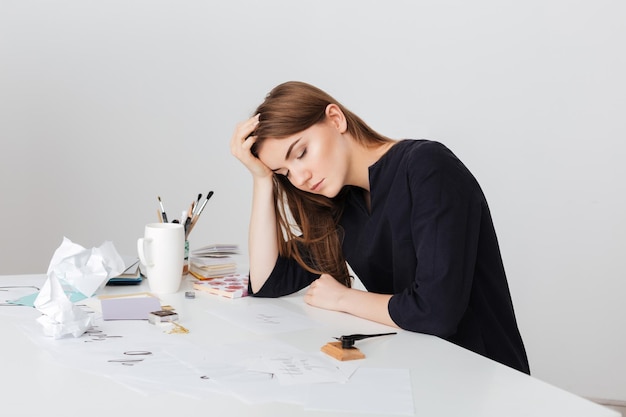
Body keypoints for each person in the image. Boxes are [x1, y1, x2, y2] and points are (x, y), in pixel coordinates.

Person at [230, 81, 530, 374]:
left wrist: (343, 298)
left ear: (335, 119)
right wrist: (262, 178)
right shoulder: (342, 204)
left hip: (485, 375)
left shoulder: (428, 167)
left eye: (301, 153)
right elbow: (267, 283)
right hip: (418, 371)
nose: (300, 177)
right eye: (285, 172)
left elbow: (436, 313)